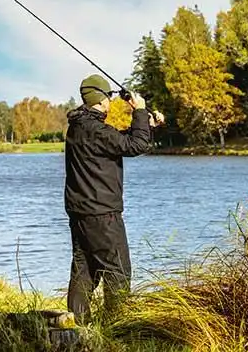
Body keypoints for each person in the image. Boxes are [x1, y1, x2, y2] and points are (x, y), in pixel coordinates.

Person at [63, 73, 164, 323]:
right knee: (117, 270)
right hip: (102, 214)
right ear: (100, 99)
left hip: (81, 212)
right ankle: (117, 325)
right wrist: (139, 110)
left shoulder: (79, 126)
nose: (110, 102)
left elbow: (120, 141)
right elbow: (134, 146)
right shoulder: (96, 130)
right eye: (108, 97)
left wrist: (145, 124)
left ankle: (76, 323)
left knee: (84, 269)